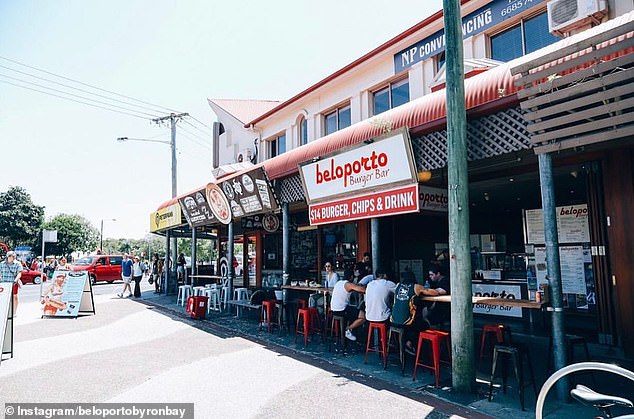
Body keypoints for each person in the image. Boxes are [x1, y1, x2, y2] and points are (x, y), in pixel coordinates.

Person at [391, 272, 429, 356]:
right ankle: (412, 344)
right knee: (424, 325)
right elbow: (433, 293)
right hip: (406, 323)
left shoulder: (397, 285)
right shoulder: (416, 287)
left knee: (412, 322)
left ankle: (406, 342)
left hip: (393, 321)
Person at [330, 274, 366, 341]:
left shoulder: (338, 283)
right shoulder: (347, 284)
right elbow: (362, 289)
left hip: (334, 309)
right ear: (351, 277)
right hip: (341, 310)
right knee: (363, 316)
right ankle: (347, 329)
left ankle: (350, 329)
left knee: (354, 309)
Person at [0, 251, 23, 316]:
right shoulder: (2, 264)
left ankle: (14, 312)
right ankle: (4, 310)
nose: (12, 257)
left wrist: (15, 280)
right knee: (4, 297)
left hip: (13, 283)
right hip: (4, 283)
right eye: (10, 256)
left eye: (13, 256)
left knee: (14, 297)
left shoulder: (17, 263)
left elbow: (20, 273)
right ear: (7, 256)